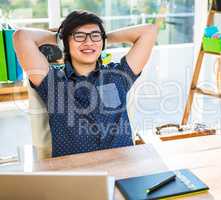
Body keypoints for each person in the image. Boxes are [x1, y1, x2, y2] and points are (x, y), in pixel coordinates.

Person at [13, 10, 158, 157]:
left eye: (95, 36)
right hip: (75, 172)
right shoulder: (53, 82)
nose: (88, 42)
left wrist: (104, 38)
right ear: (66, 43)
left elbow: (149, 31)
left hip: (123, 169)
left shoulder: (118, 75)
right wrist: (59, 38)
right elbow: (21, 36)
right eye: (79, 36)